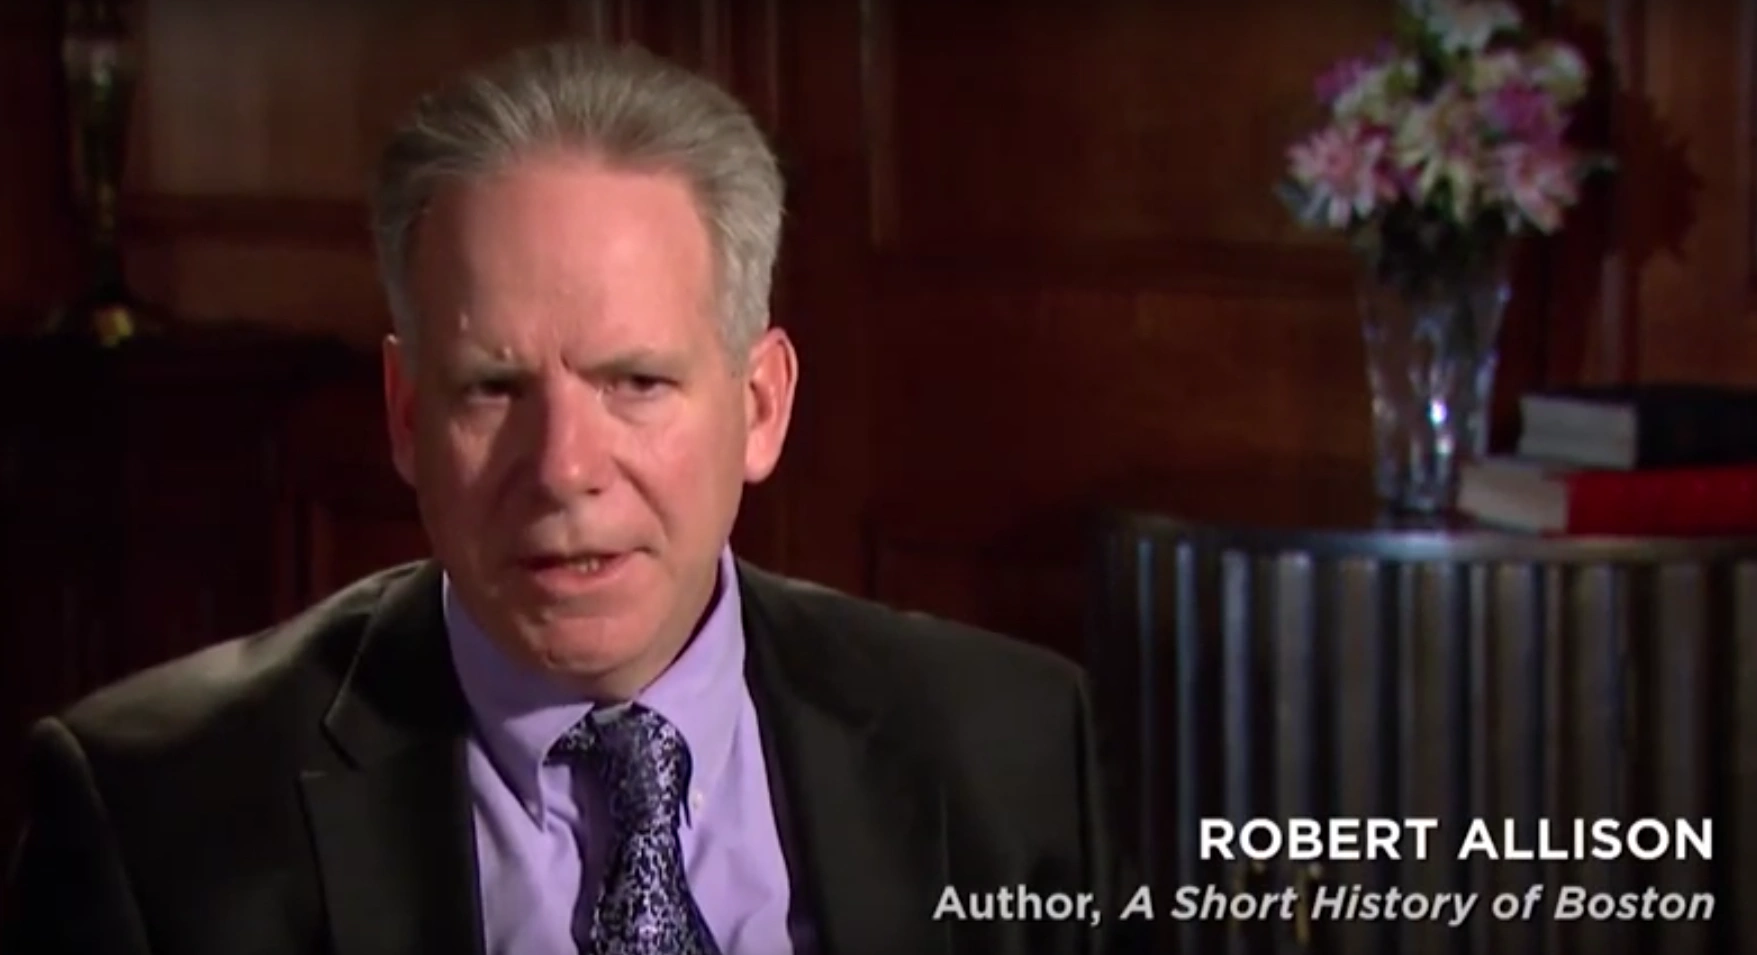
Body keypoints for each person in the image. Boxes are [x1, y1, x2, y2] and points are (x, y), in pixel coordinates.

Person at [2, 41, 1138, 955]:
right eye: (493, 388)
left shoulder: (1014, 748)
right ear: (406, 416)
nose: (562, 467)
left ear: (758, 406)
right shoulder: (155, 816)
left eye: (635, 381)